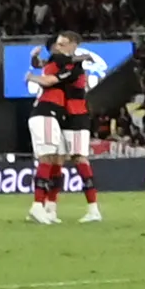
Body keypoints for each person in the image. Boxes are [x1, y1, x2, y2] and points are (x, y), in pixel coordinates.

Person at [53, 34, 105, 224]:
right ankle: (50, 208)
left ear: (73, 45)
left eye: (62, 44)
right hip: (63, 117)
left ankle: (93, 208)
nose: (58, 48)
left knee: (79, 158)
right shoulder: (63, 64)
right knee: (56, 159)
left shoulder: (76, 67)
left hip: (77, 117)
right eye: (57, 44)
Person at [23, 41, 66, 226]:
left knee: (57, 160)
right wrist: (32, 76)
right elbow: (47, 77)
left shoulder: (54, 63)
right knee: (46, 159)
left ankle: (50, 207)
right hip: (45, 113)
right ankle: (37, 206)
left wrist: (34, 59)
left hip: (55, 116)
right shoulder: (58, 65)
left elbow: (37, 63)